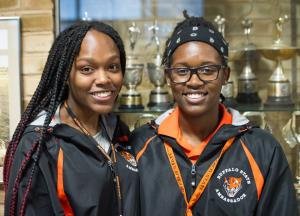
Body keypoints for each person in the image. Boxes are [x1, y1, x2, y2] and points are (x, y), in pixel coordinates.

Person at [130, 11, 298, 216]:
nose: (194, 81)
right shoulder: (140, 146)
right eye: (182, 71)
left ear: (225, 75)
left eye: (208, 70)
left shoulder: (263, 149)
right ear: (167, 76)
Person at [4, 21, 139, 216]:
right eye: (86, 69)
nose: (103, 79)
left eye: (112, 67)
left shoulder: (119, 133)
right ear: (66, 74)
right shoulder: (39, 145)